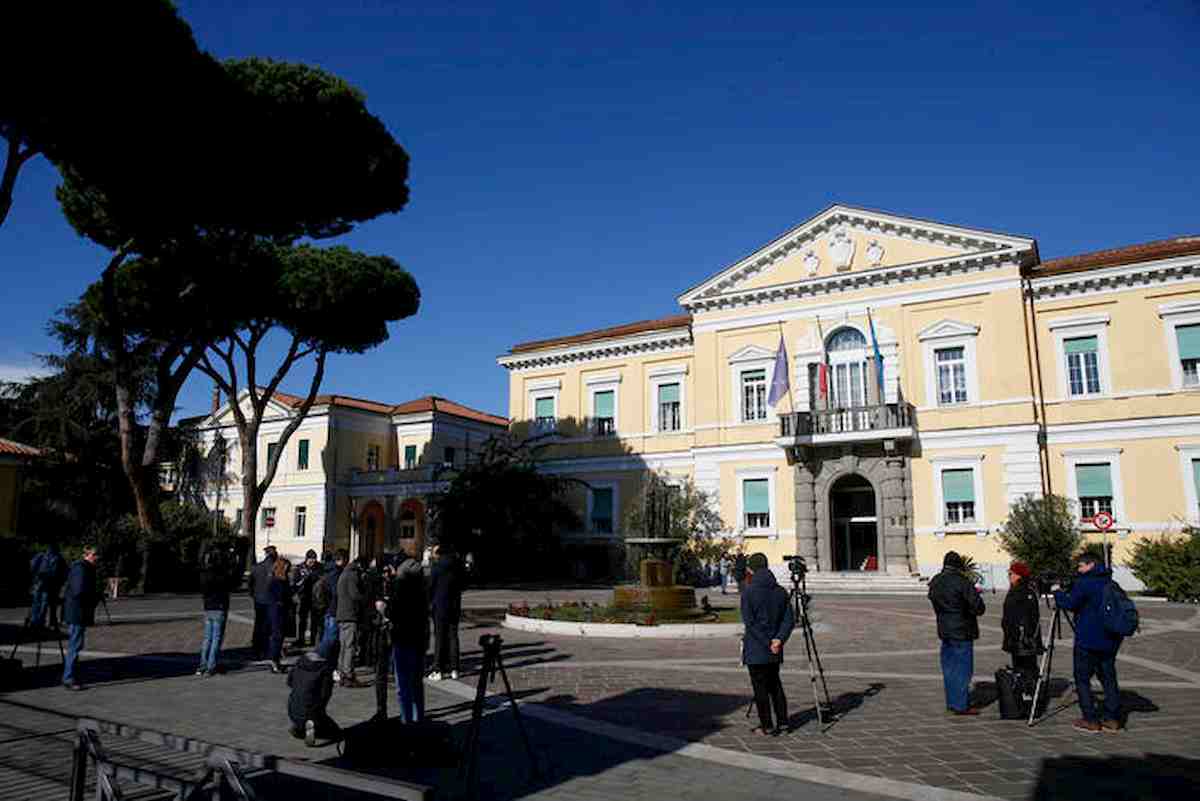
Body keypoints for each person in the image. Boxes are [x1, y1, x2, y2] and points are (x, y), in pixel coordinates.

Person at [1053, 553, 1124, 734]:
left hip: (1089, 639)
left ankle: (1090, 719)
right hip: (1110, 639)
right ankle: (1113, 719)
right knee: (1108, 678)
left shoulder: (1085, 583)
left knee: (1082, 679)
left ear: (1091, 564)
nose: (1078, 570)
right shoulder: (1110, 582)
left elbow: (1069, 603)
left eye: (1080, 566)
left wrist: (1057, 592)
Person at [740, 553, 795, 735]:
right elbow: (789, 620)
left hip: (757, 647)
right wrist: (778, 639)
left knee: (760, 688)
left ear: (751, 569)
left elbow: (750, 623)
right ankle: (784, 722)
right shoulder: (780, 591)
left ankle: (767, 726)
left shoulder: (748, 591)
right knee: (775, 685)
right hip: (775, 647)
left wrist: (767, 642)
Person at [927, 551, 986, 716]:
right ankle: (961, 705)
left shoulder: (936, 581)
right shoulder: (962, 582)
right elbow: (978, 608)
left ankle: (952, 702)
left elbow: (932, 598)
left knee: (949, 668)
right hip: (962, 629)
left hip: (944, 629)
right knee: (963, 669)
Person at [387, 552, 430, 723]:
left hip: (403, 639)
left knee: (403, 685)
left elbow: (394, 613)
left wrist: (385, 610)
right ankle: (418, 718)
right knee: (417, 684)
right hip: (419, 639)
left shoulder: (401, 588)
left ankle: (406, 720)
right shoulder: (422, 589)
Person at [61, 546, 100, 691]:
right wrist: (94, 596)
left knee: (76, 644)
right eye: (94, 555)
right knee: (75, 645)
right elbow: (79, 591)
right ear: (87, 555)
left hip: (78, 613)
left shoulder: (84, 567)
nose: (97, 557)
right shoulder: (81, 568)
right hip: (77, 613)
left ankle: (70, 675)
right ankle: (68, 677)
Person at [197, 549, 237, 677]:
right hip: (219, 607)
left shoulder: (205, 574)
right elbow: (230, 585)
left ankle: (202, 665)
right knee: (216, 638)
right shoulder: (222, 575)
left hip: (208, 607)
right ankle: (211, 665)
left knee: (207, 638)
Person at [287, 651, 340, 747]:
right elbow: (325, 694)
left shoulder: (298, 664)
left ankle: (299, 727)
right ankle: (309, 730)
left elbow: (289, 682)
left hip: (292, 709)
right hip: (311, 711)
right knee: (335, 732)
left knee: (303, 711)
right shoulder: (325, 670)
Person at [429, 546, 465, 681]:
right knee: (453, 637)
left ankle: (438, 669)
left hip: (440, 606)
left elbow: (430, 587)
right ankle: (455, 668)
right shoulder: (457, 567)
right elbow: (463, 585)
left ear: (439, 555)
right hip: (454, 606)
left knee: (440, 637)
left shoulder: (437, 567)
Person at [1001, 561, 1043, 673]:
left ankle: (1026, 688)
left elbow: (1014, 617)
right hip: (1026, 639)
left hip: (1021, 639)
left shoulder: (1018, 591)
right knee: (1028, 668)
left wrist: (1011, 634)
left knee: (1023, 669)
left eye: (1011, 574)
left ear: (1019, 575)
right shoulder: (1028, 590)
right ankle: (1028, 687)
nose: (1009, 576)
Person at [336, 556, 367, 687]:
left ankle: (342, 671)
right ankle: (348, 674)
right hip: (350, 614)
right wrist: (365, 598)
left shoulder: (344, 573)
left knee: (343, 645)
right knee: (349, 646)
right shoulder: (353, 574)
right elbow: (354, 595)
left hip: (341, 614)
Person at [28, 542, 67, 630]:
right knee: (46, 603)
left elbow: (32, 567)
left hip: (40, 583)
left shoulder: (41, 556)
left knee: (38, 602)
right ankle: (45, 622)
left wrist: (35, 578)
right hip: (50, 584)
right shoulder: (57, 557)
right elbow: (63, 572)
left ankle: (36, 621)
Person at [248, 546, 277, 660]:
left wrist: (253, 595)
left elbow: (250, 584)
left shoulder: (256, 567)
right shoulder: (274, 568)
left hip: (258, 600)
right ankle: (265, 649)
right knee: (268, 626)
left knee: (258, 624)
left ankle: (256, 649)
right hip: (271, 600)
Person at [317, 550, 345, 663]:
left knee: (328, 635)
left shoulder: (327, 571)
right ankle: (320, 657)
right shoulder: (336, 573)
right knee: (331, 637)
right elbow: (336, 592)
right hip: (334, 608)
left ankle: (322, 657)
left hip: (328, 607)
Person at [291, 550, 322, 649]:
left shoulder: (319, 567)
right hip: (303, 597)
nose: (312, 562)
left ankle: (313, 639)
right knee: (302, 620)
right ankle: (301, 639)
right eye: (311, 560)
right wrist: (303, 579)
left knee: (315, 620)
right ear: (306, 559)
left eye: (314, 560)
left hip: (315, 598)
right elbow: (295, 583)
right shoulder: (300, 568)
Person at [267, 557, 292, 674]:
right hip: (278, 611)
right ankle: (274, 661)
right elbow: (281, 596)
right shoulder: (277, 581)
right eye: (287, 567)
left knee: (279, 636)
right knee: (277, 636)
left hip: (279, 610)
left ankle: (276, 660)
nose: (288, 570)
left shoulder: (279, 580)